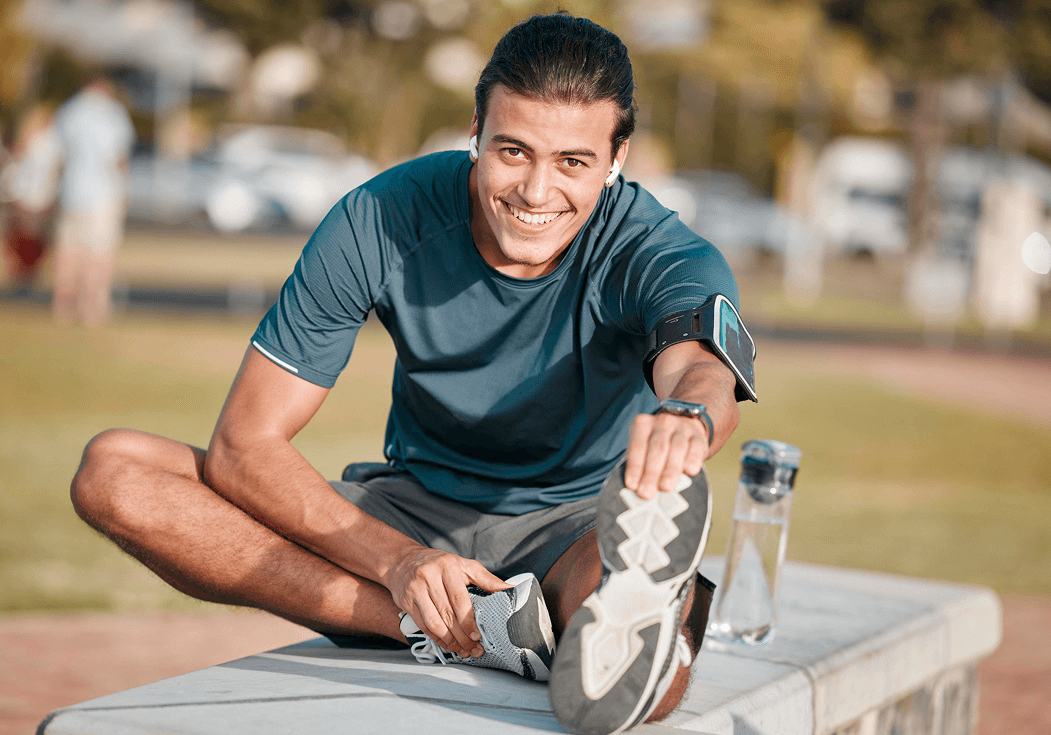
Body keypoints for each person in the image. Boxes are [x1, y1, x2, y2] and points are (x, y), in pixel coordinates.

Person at [69, 13, 756, 735]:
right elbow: (246, 443)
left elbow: (699, 369)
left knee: (633, 640)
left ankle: (620, 612)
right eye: (513, 151)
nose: (534, 190)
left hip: (574, 523)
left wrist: (689, 415)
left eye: (573, 162)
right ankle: (464, 630)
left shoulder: (657, 249)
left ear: (617, 157)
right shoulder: (380, 216)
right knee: (114, 473)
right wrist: (398, 562)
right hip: (408, 507)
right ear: (475, 132)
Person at [51, 77, 135, 326]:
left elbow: (58, 154)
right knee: (98, 254)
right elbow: (119, 157)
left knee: (68, 252)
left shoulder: (69, 111)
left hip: (71, 192)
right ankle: (93, 309)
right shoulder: (112, 112)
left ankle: (63, 307)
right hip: (103, 194)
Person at [1, 104, 62, 288]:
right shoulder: (35, 140)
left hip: (35, 196)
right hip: (26, 196)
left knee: (33, 240)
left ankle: (27, 275)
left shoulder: (47, 141)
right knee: (22, 238)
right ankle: (20, 274)